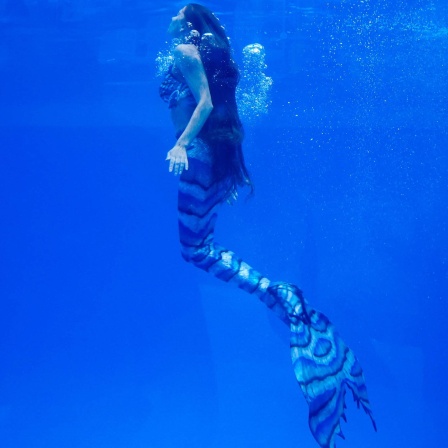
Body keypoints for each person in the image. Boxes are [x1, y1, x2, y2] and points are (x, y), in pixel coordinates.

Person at [159, 4, 376, 447]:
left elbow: (202, 103)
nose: (171, 14)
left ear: (188, 20)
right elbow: (227, 108)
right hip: (215, 162)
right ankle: (276, 295)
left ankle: (277, 293)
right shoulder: (211, 49)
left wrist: (180, 144)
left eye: (178, 10)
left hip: (197, 162)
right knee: (202, 247)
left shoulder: (185, 49)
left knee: (194, 250)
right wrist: (229, 168)